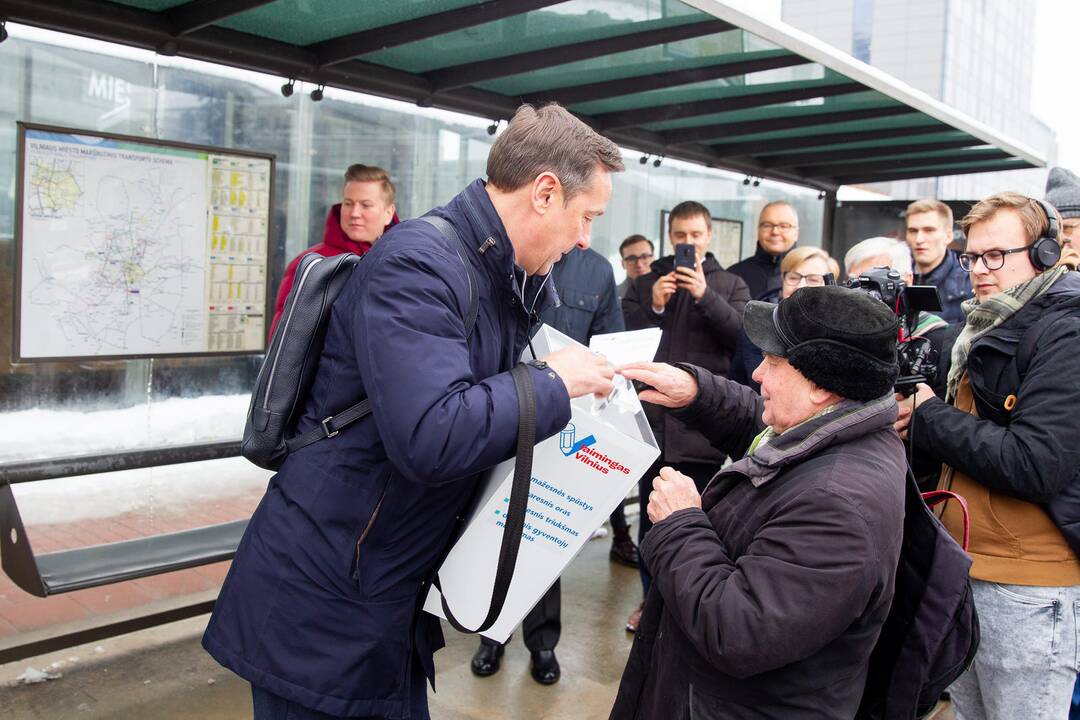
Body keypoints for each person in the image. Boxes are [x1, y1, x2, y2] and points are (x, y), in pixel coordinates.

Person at [202, 103, 624, 720]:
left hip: (376, 595)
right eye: (585, 217)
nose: (586, 239)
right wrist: (553, 382)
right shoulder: (419, 264)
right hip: (324, 605)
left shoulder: (486, 271)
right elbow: (433, 435)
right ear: (544, 193)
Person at [610, 285, 907, 719]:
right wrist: (696, 391)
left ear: (821, 386)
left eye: (772, 362)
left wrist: (679, 523)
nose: (757, 375)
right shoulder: (837, 426)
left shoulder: (838, 505)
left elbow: (740, 630)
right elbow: (764, 424)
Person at [896, 192, 1080, 720]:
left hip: (1027, 586)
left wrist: (928, 415)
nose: (979, 269)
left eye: (995, 256)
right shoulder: (986, 324)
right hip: (972, 569)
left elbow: (1036, 462)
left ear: (1046, 254)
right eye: (972, 257)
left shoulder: (1066, 332)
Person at [469, 244, 637, 685]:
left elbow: (607, 347)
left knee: (543, 533)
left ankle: (542, 644)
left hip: (566, 419)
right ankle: (491, 633)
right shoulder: (513, 254)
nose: (583, 233)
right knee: (497, 523)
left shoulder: (596, 269)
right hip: (505, 408)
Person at [622, 201, 750, 632]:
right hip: (651, 425)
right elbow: (622, 340)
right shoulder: (645, 283)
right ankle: (649, 604)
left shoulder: (731, 284)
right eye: (680, 235)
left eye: (696, 235)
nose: (688, 243)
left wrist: (703, 296)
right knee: (650, 524)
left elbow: (740, 339)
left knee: (698, 524)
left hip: (702, 431)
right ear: (669, 236)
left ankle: (684, 610)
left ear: (709, 236)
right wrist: (653, 307)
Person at [269, 164, 399, 336]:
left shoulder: (402, 263)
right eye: (348, 203)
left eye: (365, 205)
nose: (354, 213)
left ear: (388, 212)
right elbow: (285, 341)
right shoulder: (313, 264)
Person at [729, 245, 837, 393]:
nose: (801, 286)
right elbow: (759, 385)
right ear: (782, 280)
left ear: (831, 286)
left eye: (813, 280)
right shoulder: (759, 322)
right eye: (793, 277)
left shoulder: (840, 329)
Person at [905, 198, 973, 324]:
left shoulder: (971, 278)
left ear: (948, 236)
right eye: (913, 231)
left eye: (929, 230)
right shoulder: (897, 274)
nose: (919, 239)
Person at [728, 200, 799, 299]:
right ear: (758, 230)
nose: (775, 231)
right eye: (767, 225)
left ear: (796, 233)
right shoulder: (734, 275)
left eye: (784, 226)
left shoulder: (811, 277)